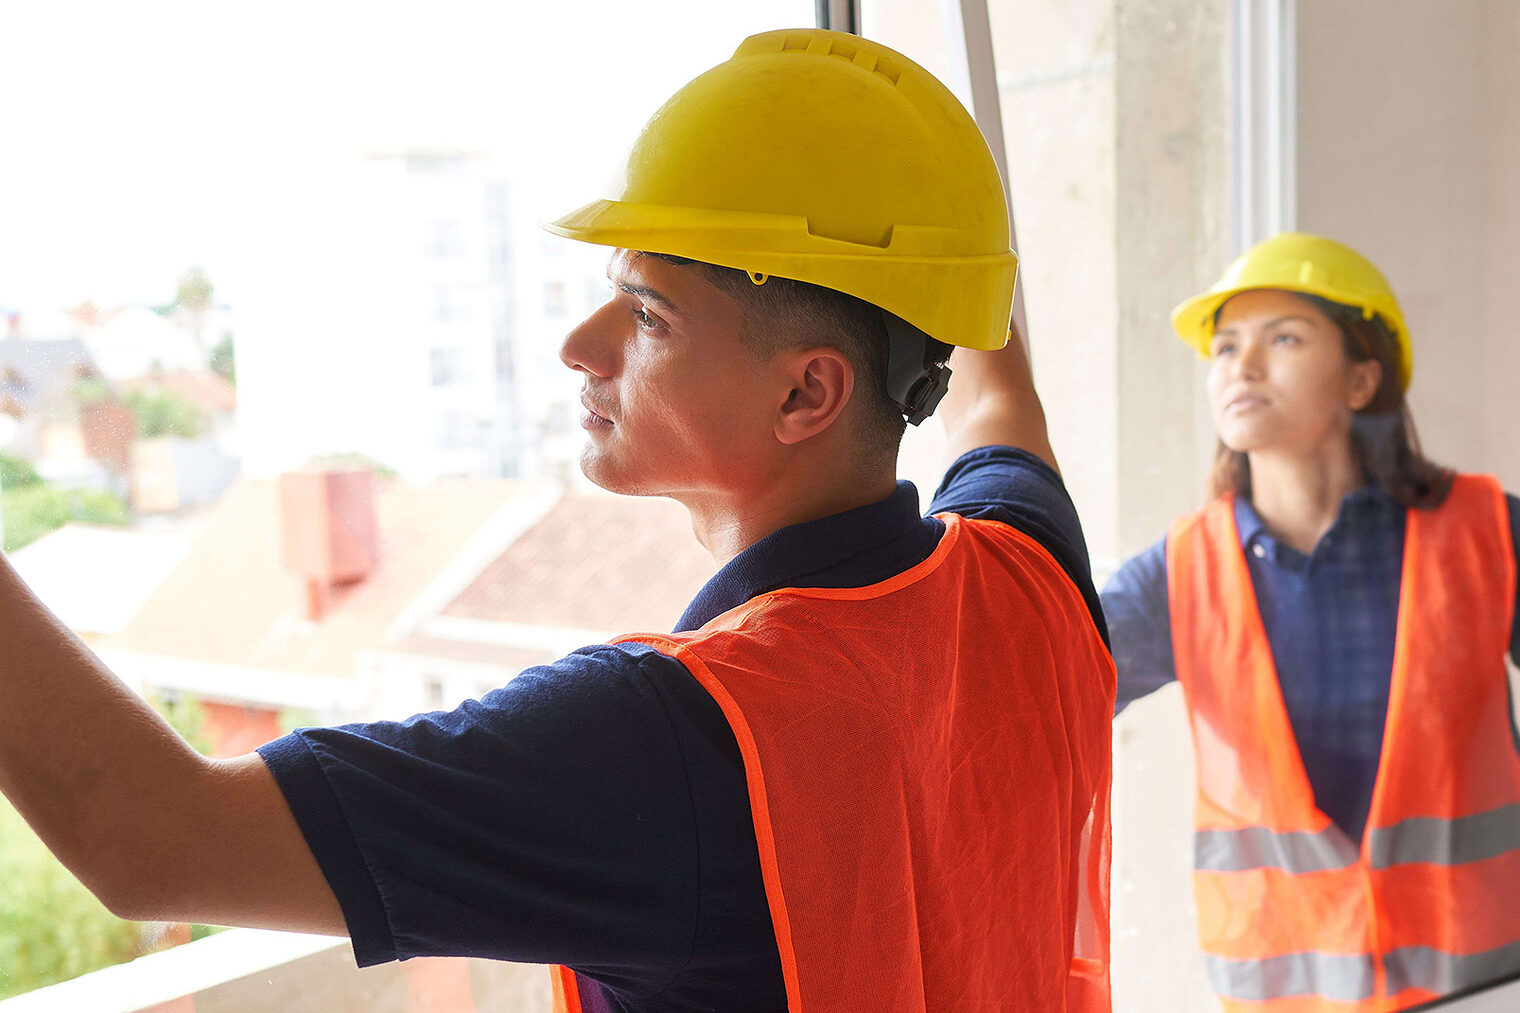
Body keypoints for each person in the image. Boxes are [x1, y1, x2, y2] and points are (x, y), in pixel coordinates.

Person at [0, 29, 1115, 1013]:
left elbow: (151, 836)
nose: (579, 344)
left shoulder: (667, 744)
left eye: (648, 314)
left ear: (805, 394)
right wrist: (932, 234)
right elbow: (1001, 401)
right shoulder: (1027, 574)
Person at [1102, 231, 1520, 1011]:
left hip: (1483, 988)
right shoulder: (1182, 571)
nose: (1241, 365)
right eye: (1224, 347)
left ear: (1363, 379)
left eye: (1283, 338)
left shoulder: (1485, 534)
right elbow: (1030, 688)